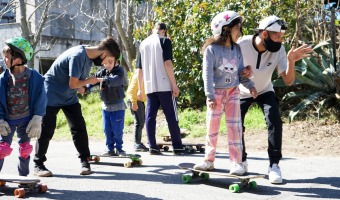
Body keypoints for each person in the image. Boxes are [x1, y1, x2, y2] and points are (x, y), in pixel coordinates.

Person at [237, 15, 312, 183]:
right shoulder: (242, 44)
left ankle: (274, 165)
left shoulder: (280, 49)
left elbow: (288, 80)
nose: (279, 41)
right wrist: (240, 73)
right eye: (277, 36)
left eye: (282, 37)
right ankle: (241, 161)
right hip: (242, 90)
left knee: (274, 120)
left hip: (264, 89)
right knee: (236, 124)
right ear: (264, 34)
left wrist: (291, 61)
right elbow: (228, 68)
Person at [33, 37, 121, 177]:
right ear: (103, 54)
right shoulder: (78, 56)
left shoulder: (88, 56)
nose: (106, 64)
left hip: (69, 96)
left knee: (79, 127)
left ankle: (85, 161)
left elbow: (75, 83)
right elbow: (73, 84)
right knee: (47, 129)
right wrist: (91, 80)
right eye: (108, 60)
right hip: (51, 94)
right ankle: (38, 165)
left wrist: (84, 87)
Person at [193, 11, 257, 175]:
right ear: (225, 29)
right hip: (216, 94)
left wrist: (250, 84)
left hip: (233, 92)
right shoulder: (211, 50)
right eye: (237, 28)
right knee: (212, 127)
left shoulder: (236, 49)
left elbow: (240, 72)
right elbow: (206, 74)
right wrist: (210, 95)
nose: (239, 32)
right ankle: (208, 160)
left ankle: (236, 163)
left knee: (235, 128)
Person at [0, 37, 46, 176]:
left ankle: (24, 178)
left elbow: (41, 97)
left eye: (7, 57)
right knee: (2, 149)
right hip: (7, 121)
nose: (4, 60)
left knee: (25, 150)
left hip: (26, 120)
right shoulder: (3, 79)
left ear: (18, 59)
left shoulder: (35, 77)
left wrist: (38, 117)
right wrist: (0, 119)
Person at [136, 22, 184, 155]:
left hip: (150, 85)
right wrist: (174, 84)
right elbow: (168, 63)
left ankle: (152, 145)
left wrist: (140, 89)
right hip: (165, 84)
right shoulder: (165, 41)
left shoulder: (143, 44)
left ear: (153, 30)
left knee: (150, 116)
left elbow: (139, 70)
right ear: (164, 31)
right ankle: (177, 145)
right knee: (171, 115)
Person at [87, 58, 127, 156]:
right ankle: (110, 149)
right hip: (105, 106)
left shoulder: (120, 72)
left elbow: (115, 80)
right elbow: (93, 80)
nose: (107, 65)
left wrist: (104, 80)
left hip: (117, 106)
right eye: (105, 62)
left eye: (110, 62)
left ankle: (119, 149)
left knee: (117, 129)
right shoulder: (102, 72)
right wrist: (85, 87)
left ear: (116, 62)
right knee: (106, 129)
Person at [126, 69, 148, 152]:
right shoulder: (137, 76)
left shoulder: (142, 75)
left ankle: (138, 142)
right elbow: (131, 91)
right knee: (139, 122)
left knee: (141, 122)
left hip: (139, 101)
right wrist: (134, 102)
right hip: (134, 100)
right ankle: (136, 144)